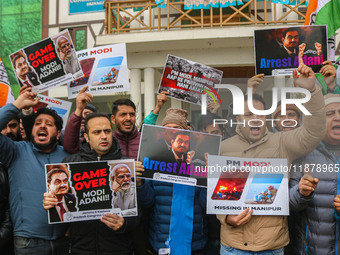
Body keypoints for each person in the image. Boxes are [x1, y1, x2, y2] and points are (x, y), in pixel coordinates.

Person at [218, 56, 326, 255]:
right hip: (232, 246)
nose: (255, 119)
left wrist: (311, 91)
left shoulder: (282, 142)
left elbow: (314, 132)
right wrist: (226, 217)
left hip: (273, 247)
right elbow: (215, 196)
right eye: (249, 114)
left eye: (260, 114)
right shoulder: (222, 148)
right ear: (238, 118)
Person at [44, 112, 140, 255]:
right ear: (87, 137)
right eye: (97, 132)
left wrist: (125, 224)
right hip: (81, 248)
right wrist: (50, 203)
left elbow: (142, 208)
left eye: (107, 131)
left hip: (118, 248)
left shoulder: (125, 165)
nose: (103, 136)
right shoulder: (70, 164)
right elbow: (62, 207)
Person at [0, 91, 69, 254]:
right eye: (38, 123)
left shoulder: (68, 156)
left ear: (58, 133)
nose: (42, 126)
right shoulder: (15, 151)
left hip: (63, 240)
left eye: (49, 124)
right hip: (28, 242)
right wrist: (17, 105)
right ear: (31, 131)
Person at [137, 108, 207, 255]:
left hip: (193, 242)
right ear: (162, 132)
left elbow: (204, 203)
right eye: (167, 128)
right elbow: (147, 202)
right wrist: (139, 183)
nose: (172, 132)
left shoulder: (198, 159)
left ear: (186, 131)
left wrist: (209, 178)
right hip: (161, 241)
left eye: (177, 128)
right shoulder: (152, 157)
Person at [289, 93, 340, 254]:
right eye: (330, 113)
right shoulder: (303, 152)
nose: (337, 118)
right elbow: (289, 203)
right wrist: (301, 192)